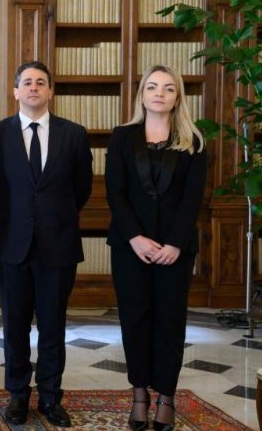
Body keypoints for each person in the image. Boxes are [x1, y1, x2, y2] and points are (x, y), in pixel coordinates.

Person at [0, 61, 93, 428]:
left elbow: (81, 189)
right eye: (26, 82)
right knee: (14, 325)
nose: (33, 88)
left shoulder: (73, 135)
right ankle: (17, 395)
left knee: (53, 325)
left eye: (40, 82)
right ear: (15, 91)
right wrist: (7, 219)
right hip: (11, 244)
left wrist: (52, 218)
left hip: (57, 245)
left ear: (50, 91)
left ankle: (50, 396)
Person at [105, 65, 207, 431]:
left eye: (167, 88)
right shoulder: (122, 137)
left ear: (177, 96)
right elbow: (114, 192)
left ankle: (166, 396)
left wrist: (175, 243)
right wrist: (135, 237)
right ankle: (139, 395)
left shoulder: (193, 142)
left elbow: (193, 200)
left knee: (169, 321)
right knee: (135, 320)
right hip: (129, 245)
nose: (159, 93)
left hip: (175, 250)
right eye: (152, 87)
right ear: (142, 95)